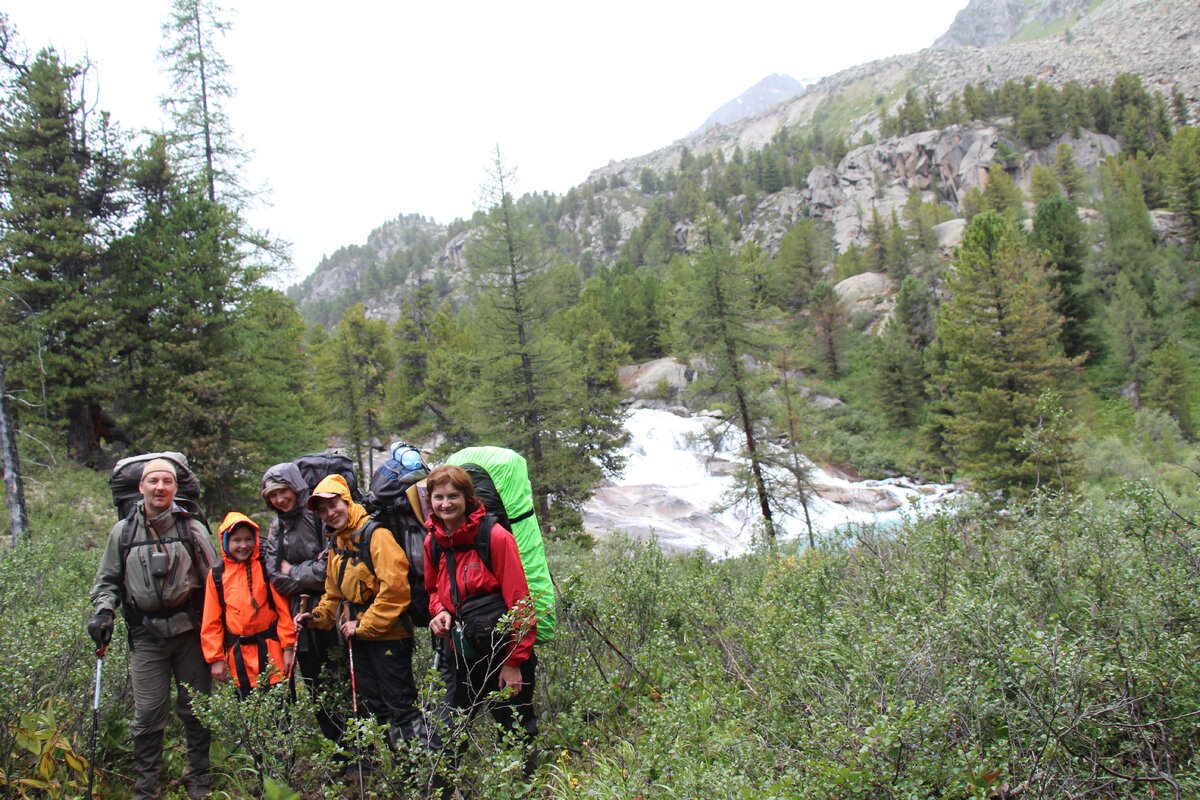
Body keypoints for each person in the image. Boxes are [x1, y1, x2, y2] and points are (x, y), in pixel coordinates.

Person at [88, 458, 219, 800]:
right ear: (140, 487)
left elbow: (215, 582)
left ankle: (198, 777)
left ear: (175, 488)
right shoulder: (122, 532)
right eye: (153, 481)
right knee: (147, 714)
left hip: (190, 632)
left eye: (167, 481)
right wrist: (104, 612)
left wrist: (221, 633)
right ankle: (147, 786)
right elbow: (108, 580)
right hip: (146, 636)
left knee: (197, 709)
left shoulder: (192, 529)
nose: (160, 487)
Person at [293, 474, 431, 750]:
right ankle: (397, 768)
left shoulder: (375, 535)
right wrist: (317, 618)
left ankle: (423, 771)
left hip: (389, 636)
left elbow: (395, 589)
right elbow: (333, 594)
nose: (330, 513)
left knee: (401, 704)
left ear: (346, 501)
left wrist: (364, 625)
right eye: (322, 510)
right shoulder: (337, 543)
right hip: (359, 638)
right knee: (375, 707)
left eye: (334, 505)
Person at [422, 465, 538, 758]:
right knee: (445, 736)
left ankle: (523, 788)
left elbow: (520, 604)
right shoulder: (432, 541)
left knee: (515, 734)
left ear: (467, 497)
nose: (446, 504)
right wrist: (439, 612)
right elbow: (433, 589)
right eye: (439, 497)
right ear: (430, 501)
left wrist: (514, 663)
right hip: (459, 653)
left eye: (453, 496)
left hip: (502, 652)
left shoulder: (495, 537)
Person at [260, 462, 343, 743]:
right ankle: (337, 748)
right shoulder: (277, 527)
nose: (280, 499)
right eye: (273, 495)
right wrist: (307, 572)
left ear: (296, 487)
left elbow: (329, 570)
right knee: (314, 685)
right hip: (300, 617)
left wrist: (292, 570)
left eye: (283, 491)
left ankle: (360, 751)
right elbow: (274, 575)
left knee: (340, 679)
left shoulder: (319, 517)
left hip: (332, 611)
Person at [201, 512, 296, 697]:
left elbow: (283, 611)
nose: (243, 545)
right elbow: (211, 621)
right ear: (226, 542)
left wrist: (288, 648)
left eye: (247, 539)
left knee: (280, 714)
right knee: (248, 714)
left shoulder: (265, 567)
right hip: (239, 659)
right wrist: (215, 658)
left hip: (273, 653)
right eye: (236, 540)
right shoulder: (217, 575)